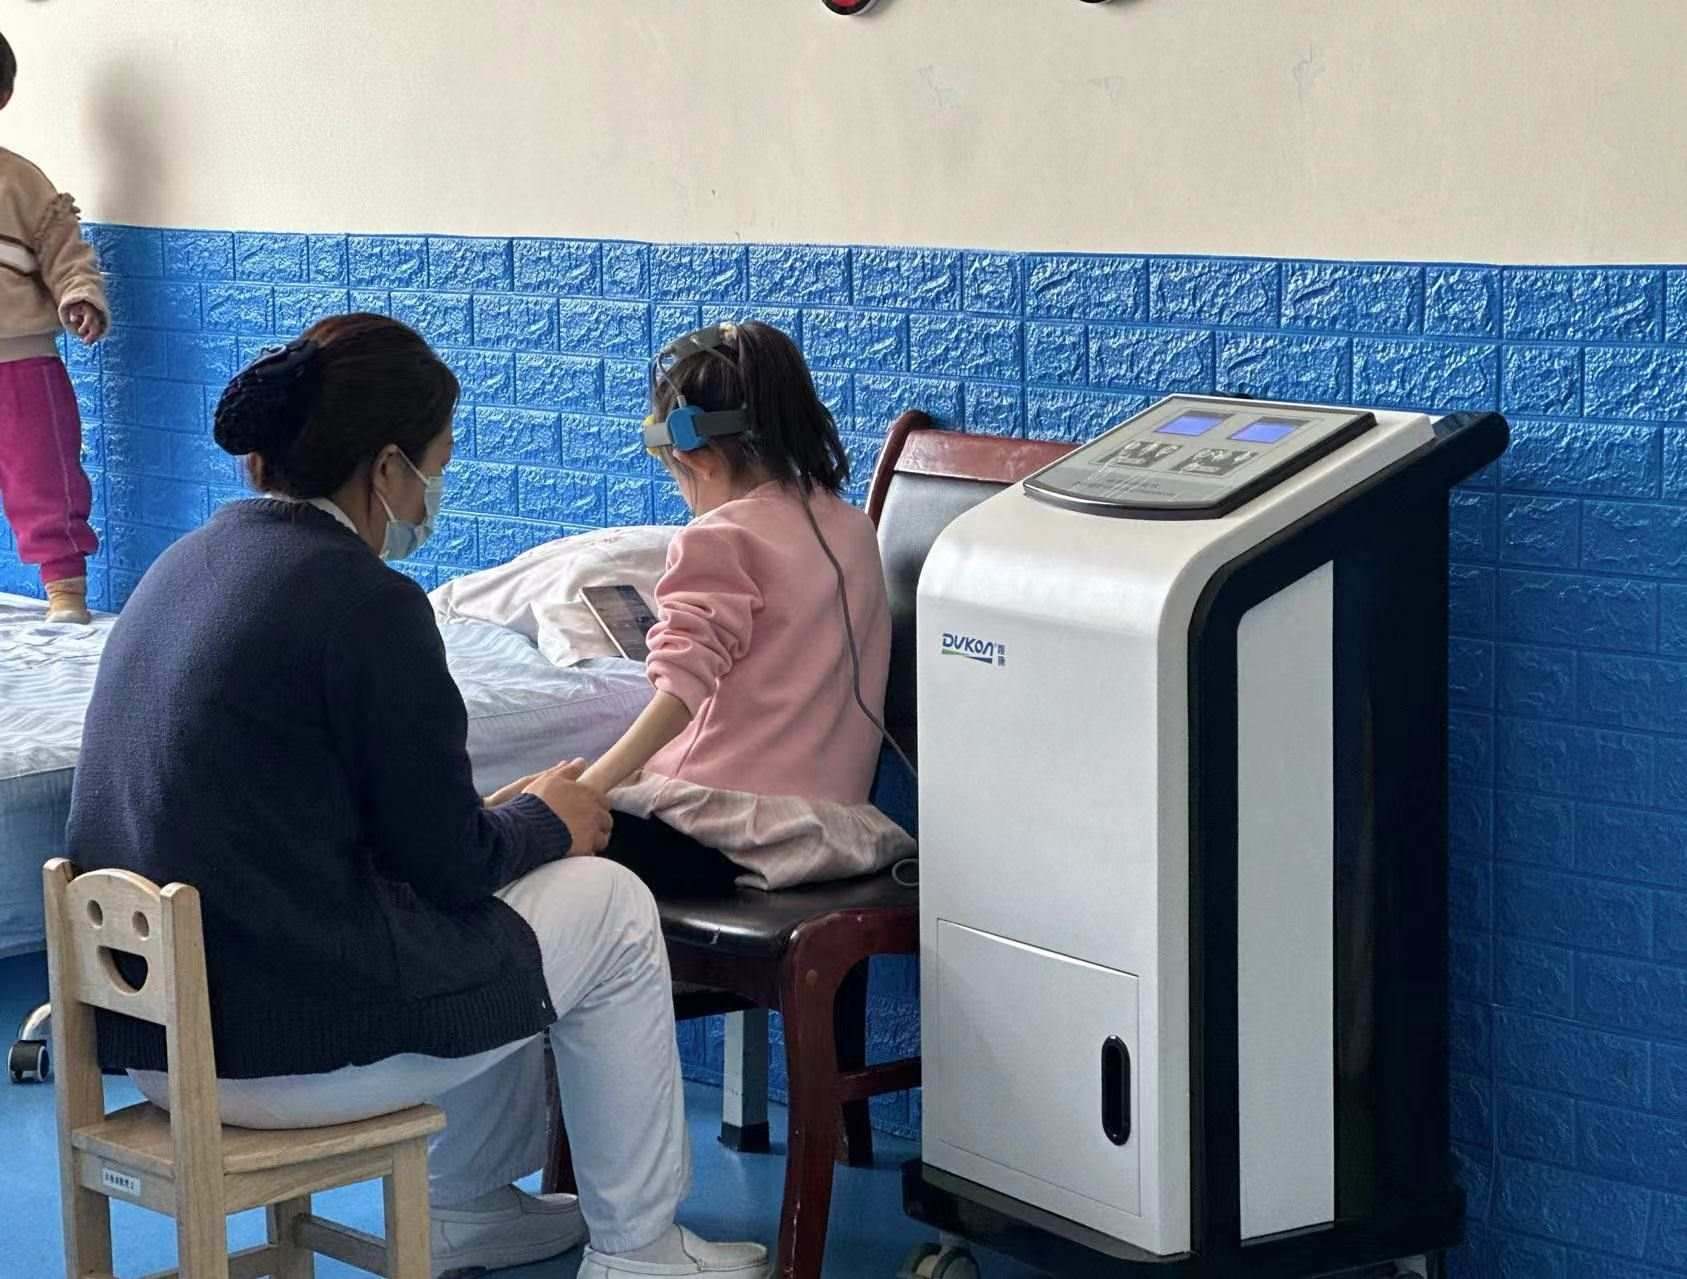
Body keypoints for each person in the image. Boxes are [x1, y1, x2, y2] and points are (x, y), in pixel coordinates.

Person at [67, 314, 770, 1279]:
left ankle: (468, 1209)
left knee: (512, 899)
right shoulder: (366, 602)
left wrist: (514, 824)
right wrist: (548, 821)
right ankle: (641, 1251)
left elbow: (358, 822)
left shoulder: (185, 564)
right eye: (437, 464)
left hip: (158, 1042)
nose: (434, 492)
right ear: (388, 468)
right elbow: (449, 867)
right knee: (607, 904)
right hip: (283, 1050)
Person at [573, 320, 893, 892]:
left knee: (532, 826)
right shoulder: (854, 529)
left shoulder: (718, 537)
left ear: (695, 456)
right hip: (830, 829)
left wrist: (589, 789)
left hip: (719, 828)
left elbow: (680, 694)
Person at [0, 30, 108, 624]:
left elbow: (66, 253)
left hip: (21, 362)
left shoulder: (21, 182)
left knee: (44, 478)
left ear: (3, 97)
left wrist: (79, 295)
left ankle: (65, 591)